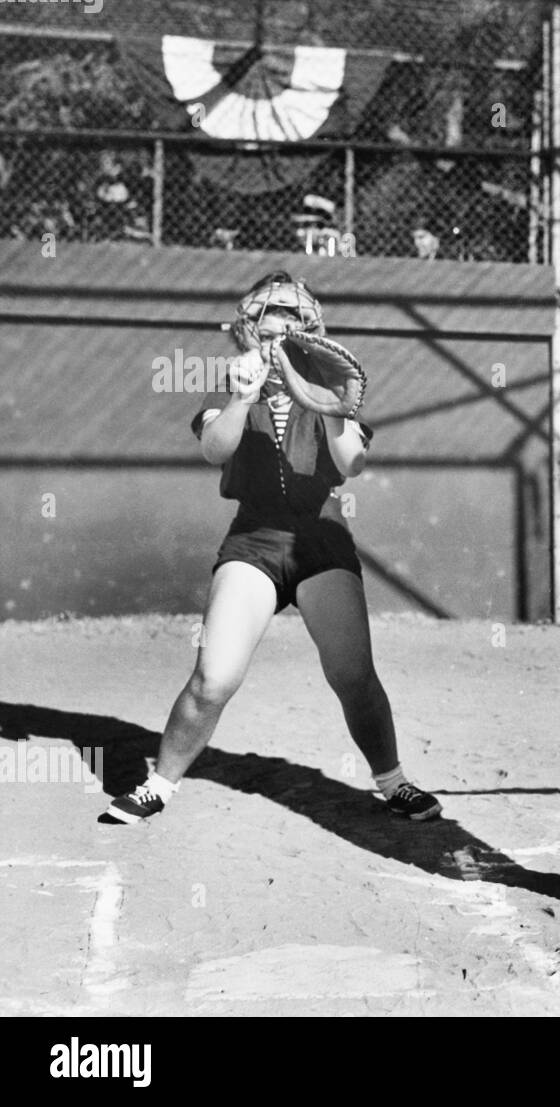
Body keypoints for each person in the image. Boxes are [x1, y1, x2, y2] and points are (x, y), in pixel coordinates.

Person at [102, 272, 442, 825]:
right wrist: (241, 397)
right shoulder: (230, 382)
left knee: (353, 676)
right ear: (247, 327)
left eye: (290, 318)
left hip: (321, 537)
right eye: (268, 319)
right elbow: (216, 449)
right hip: (254, 540)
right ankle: (159, 784)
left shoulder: (328, 382)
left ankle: (393, 782)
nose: (277, 329)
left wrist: (333, 406)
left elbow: (353, 464)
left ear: (309, 328)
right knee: (214, 678)